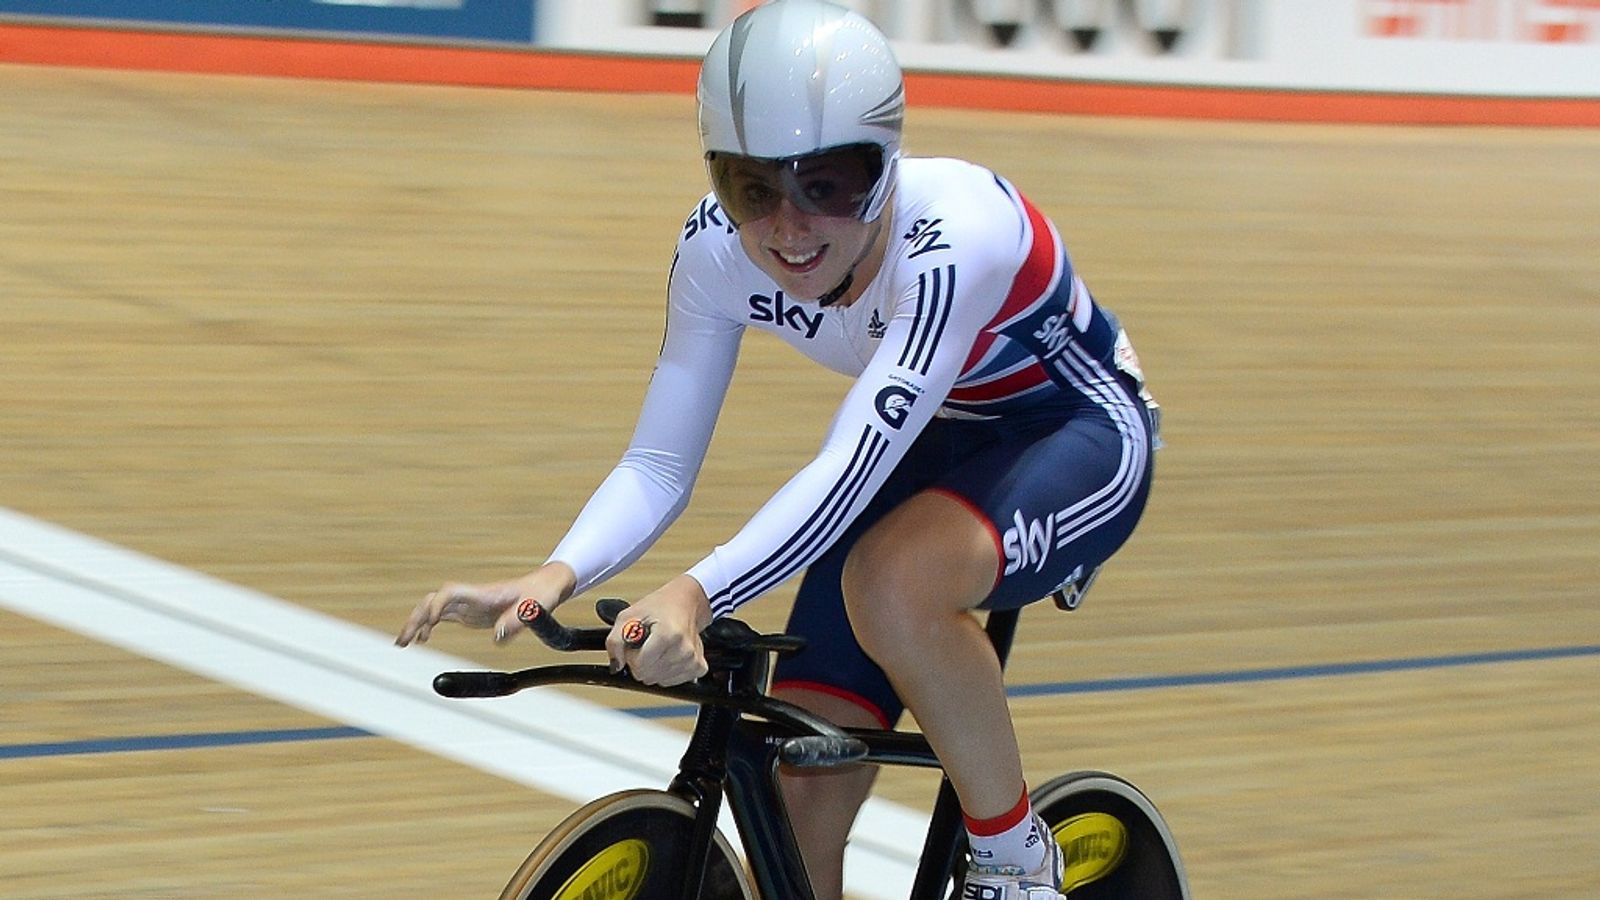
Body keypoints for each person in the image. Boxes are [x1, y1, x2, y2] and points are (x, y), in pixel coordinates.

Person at [396, 1, 1159, 897]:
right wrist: (557, 574)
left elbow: (847, 470)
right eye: (754, 187)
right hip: (929, 442)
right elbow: (659, 464)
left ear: (885, 166)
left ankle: (1016, 861)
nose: (791, 227)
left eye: (828, 183)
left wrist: (694, 590)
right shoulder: (715, 252)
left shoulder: (954, 239)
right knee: (798, 807)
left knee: (893, 583)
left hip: (1075, 433)